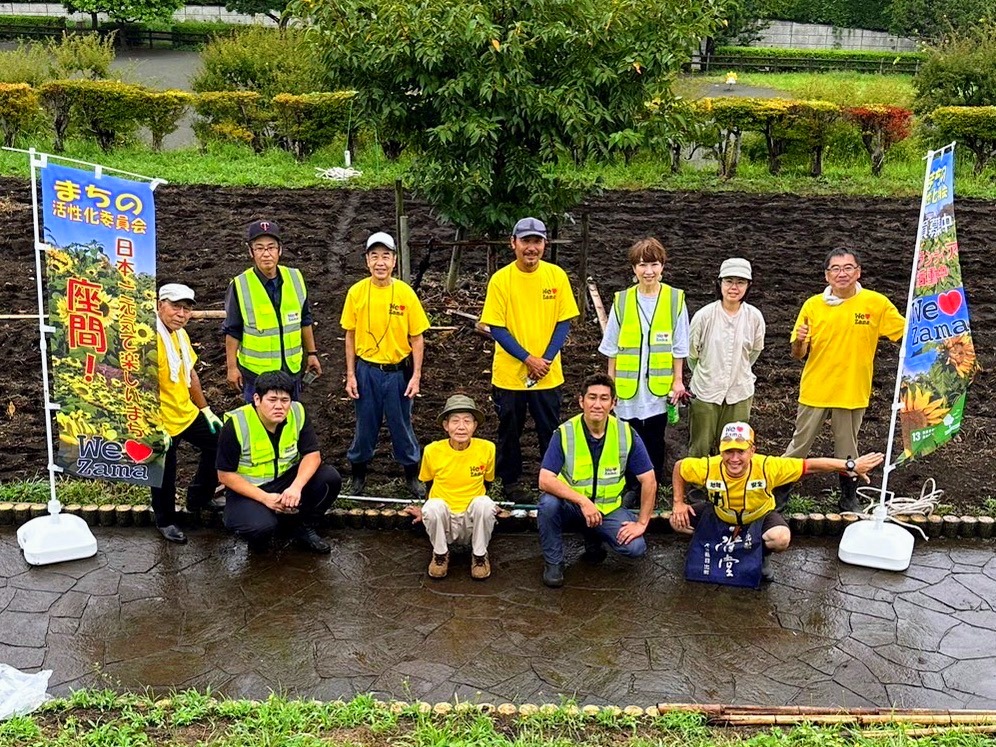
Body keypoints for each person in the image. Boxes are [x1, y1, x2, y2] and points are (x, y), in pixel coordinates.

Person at [671, 421, 884, 581]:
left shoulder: (768, 466)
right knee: (675, 521)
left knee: (780, 538)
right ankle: (710, 545)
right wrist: (678, 503)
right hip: (720, 514)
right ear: (721, 451)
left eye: (740, 451)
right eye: (728, 452)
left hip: (758, 517)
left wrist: (850, 465)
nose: (734, 459)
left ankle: (758, 556)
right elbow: (680, 467)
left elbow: (810, 465)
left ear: (752, 450)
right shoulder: (708, 466)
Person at [778, 249, 904, 513]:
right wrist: (800, 340)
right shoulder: (813, 306)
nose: (842, 273)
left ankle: (848, 497)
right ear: (827, 276)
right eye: (835, 268)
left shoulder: (876, 304)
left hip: (851, 390)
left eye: (848, 267)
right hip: (816, 388)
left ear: (858, 272)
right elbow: (798, 354)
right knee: (799, 445)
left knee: (847, 449)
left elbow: (905, 335)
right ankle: (780, 493)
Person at [480, 217, 579, 503]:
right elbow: (497, 327)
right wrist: (528, 359)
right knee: (510, 430)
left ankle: (550, 481)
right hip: (510, 376)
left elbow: (564, 322)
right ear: (513, 243)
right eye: (525, 241)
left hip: (547, 374)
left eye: (537, 242)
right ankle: (510, 482)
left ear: (544, 245)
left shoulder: (556, 276)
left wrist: (545, 359)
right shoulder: (501, 280)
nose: (531, 248)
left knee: (549, 430)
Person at [537, 373, 656, 588]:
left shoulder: (626, 433)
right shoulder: (565, 433)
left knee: (635, 548)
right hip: (571, 508)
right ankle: (554, 563)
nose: (597, 404)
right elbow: (545, 479)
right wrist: (583, 502)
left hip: (607, 509)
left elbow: (649, 480)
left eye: (604, 398)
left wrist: (642, 523)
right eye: (592, 397)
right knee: (547, 504)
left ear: (613, 403)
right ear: (581, 401)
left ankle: (594, 536)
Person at [598, 237, 688, 505]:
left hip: (659, 388)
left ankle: (653, 484)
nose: (648, 271)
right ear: (633, 269)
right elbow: (612, 347)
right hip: (627, 389)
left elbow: (679, 345)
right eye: (642, 265)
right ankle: (630, 486)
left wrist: (678, 381)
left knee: (655, 438)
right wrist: (610, 387)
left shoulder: (674, 299)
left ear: (662, 267)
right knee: (627, 436)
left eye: (654, 264)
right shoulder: (622, 301)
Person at [341, 231, 430, 499]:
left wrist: (415, 376)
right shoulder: (356, 293)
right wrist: (350, 375)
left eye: (386, 256)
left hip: (397, 373)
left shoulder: (405, 293)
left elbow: (417, 337)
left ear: (394, 261)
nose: (380, 262)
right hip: (367, 371)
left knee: (401, 424)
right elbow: (350, 334)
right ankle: (358, 476)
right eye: (374, 256)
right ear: (367, 261)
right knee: (365, 425)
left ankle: (411, 476)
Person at [216, 370, 340, 553]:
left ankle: (302, 526)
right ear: (257, 399)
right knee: (260, 527)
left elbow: (312, 454)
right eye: (272, 400)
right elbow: (225, 475)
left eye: (285, 400)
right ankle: (260, 539)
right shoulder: (236, 424)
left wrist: (296, 487)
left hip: (286, 479)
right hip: (250, 489)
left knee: (330, 478)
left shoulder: (297, 412)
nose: (279, 407)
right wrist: (266, 499)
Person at [152, 283, 222, 544]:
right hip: (160, 420)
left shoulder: (180, 335)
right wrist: (150, 424)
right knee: (164, 472)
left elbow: (190, 373)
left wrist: (205, 409)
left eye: (186, 309)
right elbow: (136, 382)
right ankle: (165, 520)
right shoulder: (147, 339)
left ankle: (199, 498)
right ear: (160, 305)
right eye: (175, 307)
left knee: (220, 442)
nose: (181, 314)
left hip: (186, 411)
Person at [223, 219, 321, 403]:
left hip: (291, 370)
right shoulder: (240, 285)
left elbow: (305, 319)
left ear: (280, 250)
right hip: (257, 376)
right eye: (259, 248)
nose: (266, 254)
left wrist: (312, 354)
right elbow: (232, 329)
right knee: (258, 426)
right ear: (250, 251)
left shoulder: (296, 278)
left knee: (290, 421)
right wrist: (231, 368)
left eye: (271, 247)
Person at [406, 394, 497, 580]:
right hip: (446, 520)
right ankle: (440, 554)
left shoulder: (487, 448)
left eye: (467, 421)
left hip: (471, 520)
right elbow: (428, 484)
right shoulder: (432, 451)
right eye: (455, 421)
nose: (461, 427)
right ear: (446, 426)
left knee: (485, 504)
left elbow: (487, 483)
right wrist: (424, 512)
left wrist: (488, 511)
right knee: (433, 507)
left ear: (475, 426)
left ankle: (479, 555)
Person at [687, 258, 765, 457]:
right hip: (706, 391)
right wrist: (707, 375)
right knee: (701, 444)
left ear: (748, 286)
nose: (734, 287)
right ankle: (698, 484)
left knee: (734, 446)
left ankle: (728, 483)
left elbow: (754, 352)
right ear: (719, 283)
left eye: (740, 282)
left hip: (739, 392)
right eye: (729, 281)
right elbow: (692, 355)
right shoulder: (704, 316)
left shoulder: (754, 317)